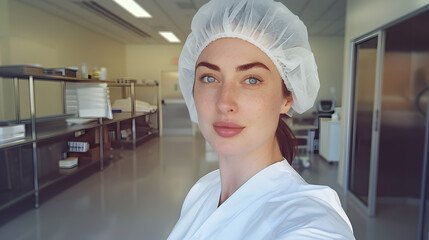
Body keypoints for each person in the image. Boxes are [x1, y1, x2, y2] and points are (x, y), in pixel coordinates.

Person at [167, 0, 355, 239]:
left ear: (287, 98)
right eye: (209, 78)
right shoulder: (203, 190)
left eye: (252, 79)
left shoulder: (310, 223)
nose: (224, 102)